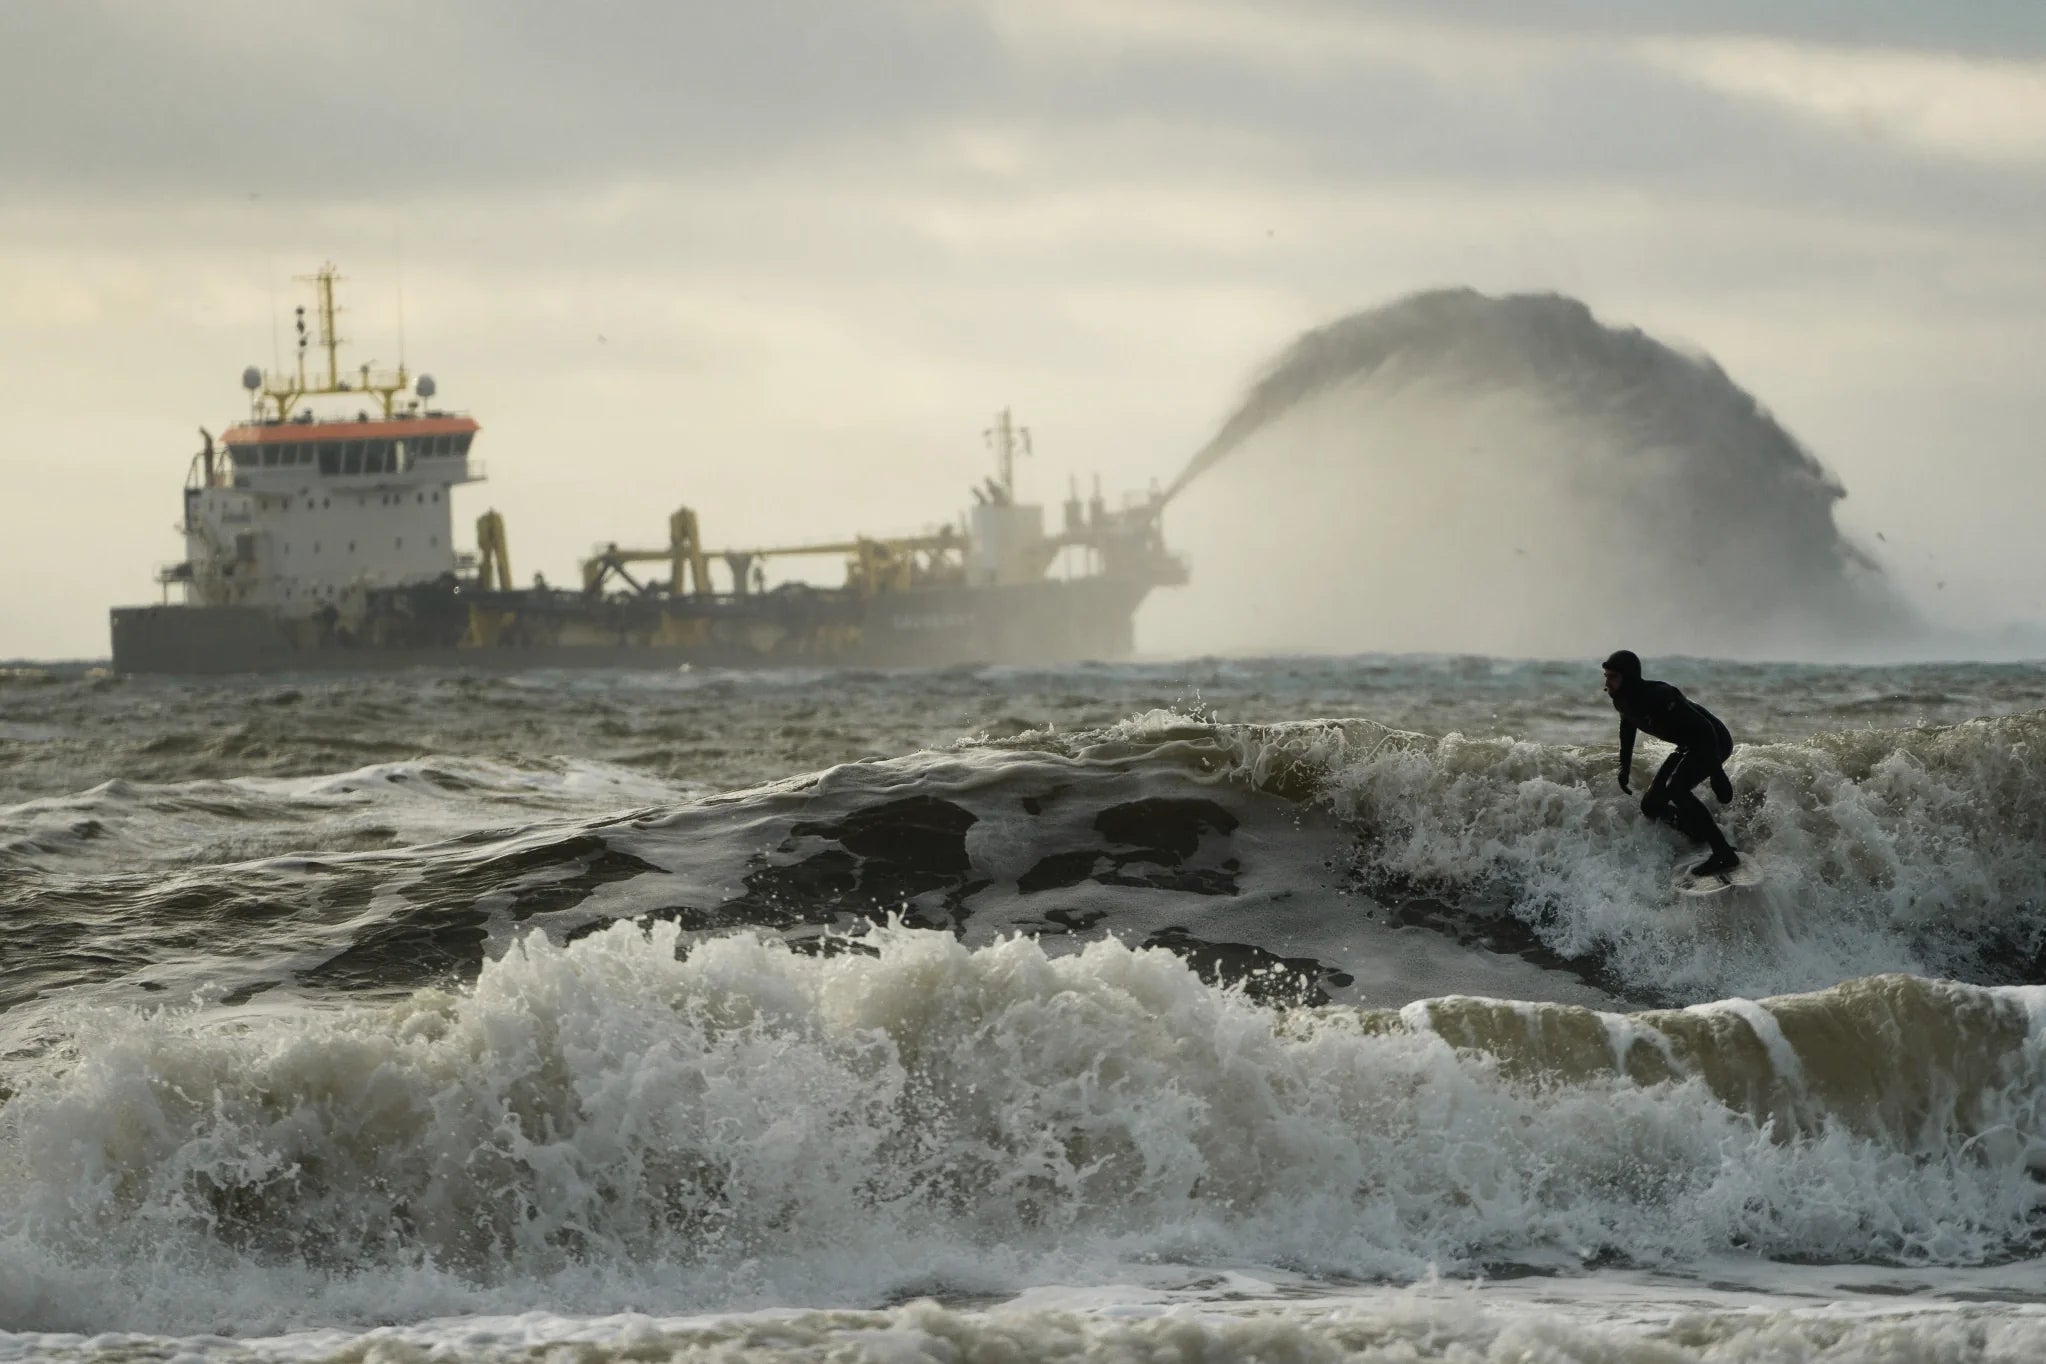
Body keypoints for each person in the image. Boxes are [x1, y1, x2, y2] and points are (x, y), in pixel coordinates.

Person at [1602, 650, 1740, 877]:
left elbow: (1704, 728)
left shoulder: (1659, 696)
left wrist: (1718, 774)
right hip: (1687, 745)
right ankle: (1697, 830)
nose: (1607, 684)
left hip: (1713, 741)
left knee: (1678, 790)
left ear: (1629, 676)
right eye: (1606, 676)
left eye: (1613, 677)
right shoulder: (1622, 700)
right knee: (1651, 805)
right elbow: (1627, 727)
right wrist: (1624, 766)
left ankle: (1723, 852)